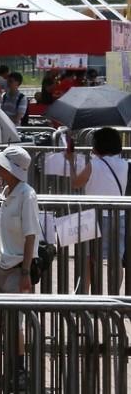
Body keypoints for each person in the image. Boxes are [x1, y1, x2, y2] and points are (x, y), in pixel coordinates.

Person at [0, 146, 39, 393]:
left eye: (1, 165)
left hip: (18, 267)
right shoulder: (7, 192)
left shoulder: (27, 195)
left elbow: (31, 235)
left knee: (15, 322)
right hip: (1, 263)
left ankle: (20, 370)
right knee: (4, 321)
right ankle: (10, 368)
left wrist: (26, 271)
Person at [65, 126, 127, 294]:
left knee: (88, 258)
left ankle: (85, 296)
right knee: (116, 260)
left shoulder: (94, 164)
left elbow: (76, 183)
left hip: (92, 216)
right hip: (118, 215)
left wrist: (71, 162)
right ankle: (114, 295)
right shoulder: (124, 164)